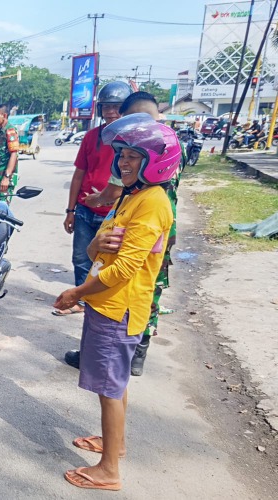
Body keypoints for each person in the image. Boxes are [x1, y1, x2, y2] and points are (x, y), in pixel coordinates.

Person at [53, 113, 178, 491]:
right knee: (116, 382)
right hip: (108, 305)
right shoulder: (133, 195)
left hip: (118, 309)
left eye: (133, 156)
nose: (123, 162)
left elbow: (123, 268)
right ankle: (115, 444)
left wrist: (76, 292)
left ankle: (108, 470)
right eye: (121, 154)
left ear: (155, 161)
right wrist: (92, 246)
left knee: (109, 389)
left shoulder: (152, 202)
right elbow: (101, 245)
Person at [78, 91, 184, 375]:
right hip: (151, 223)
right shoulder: (167, 146)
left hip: (146, 224)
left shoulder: (150, 151)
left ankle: (131, 348)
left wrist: (93, 201)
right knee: (146, 284)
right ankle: (131, 349)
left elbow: (113, 191)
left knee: (142, 285)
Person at [55, 81, 131, 319]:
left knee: (110, 262)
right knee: (80, 257)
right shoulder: (91, 137)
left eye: (116, 106)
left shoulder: (131, 140)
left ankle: (102, 303)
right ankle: (81, 299)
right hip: (85, 211)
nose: (110, 111)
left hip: (115, 213)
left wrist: (102, 200)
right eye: (106, 106)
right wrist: (70, 210)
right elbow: (79, 174)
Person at [0, 103, 20, 204]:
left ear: (4, 115)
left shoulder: (10, 131)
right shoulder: (1, 131)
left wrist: (6, 177)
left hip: (3, 180)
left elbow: (13, 154)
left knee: (1, 210)